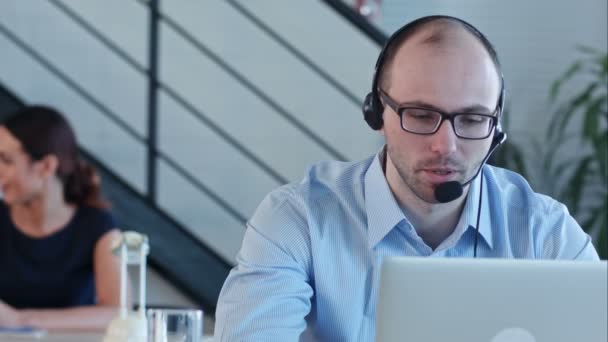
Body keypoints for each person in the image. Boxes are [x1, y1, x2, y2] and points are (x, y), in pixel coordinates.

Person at [213, 15, 600, 341]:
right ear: (377, 112)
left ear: (496, 129)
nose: (445, 145)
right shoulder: (298, 219)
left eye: (471, 119)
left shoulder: (545, 231)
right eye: (420, 115)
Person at [0, 106, 126, 331]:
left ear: (46, 166)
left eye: (6, 160)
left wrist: (21, 320)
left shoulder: (98, 226)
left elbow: (119, 313)